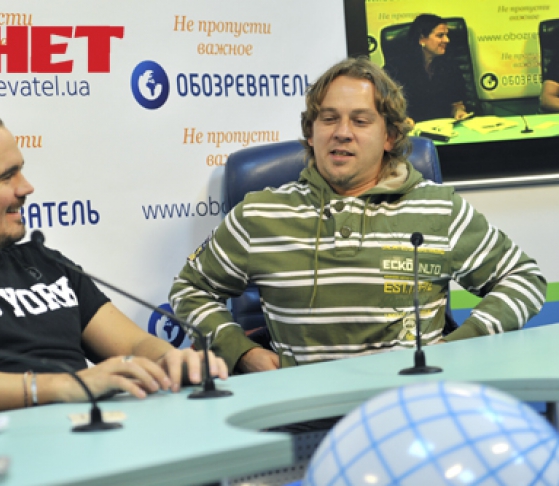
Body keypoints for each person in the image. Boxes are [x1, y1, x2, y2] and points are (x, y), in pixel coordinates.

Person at [169, 57, 546, 375]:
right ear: (311, 133)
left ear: (389, 137)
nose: (342, 133)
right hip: (300, 411)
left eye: (361, 121)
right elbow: (189, 290)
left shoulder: (439, 209)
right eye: (328, 119)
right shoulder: (259, 213)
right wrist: (241, 352)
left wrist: (460, 346)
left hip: (411, 404)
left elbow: (523, 278)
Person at [0, 109, 227, 418]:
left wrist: (173, 360)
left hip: (92, 431)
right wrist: (60, 386)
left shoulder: (43, 262)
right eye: (6, 176)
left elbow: (132, 342)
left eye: (21, 169)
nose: (26, 187)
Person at [383, 14, 471, 126]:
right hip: (412, 129)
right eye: (440, 35)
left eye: (446, 35)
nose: (447, 40)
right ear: (422, 39)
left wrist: (459, 111)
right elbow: (385, 105)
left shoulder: (450, 64)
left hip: (446, 128)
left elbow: (457, 103)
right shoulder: (396, 67)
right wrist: (401, 119)